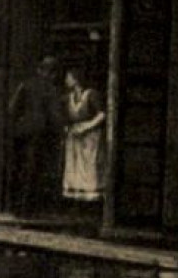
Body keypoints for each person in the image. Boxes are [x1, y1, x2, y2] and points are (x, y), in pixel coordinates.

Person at [7, 56, 64, 216]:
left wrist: (20, 122)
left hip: (21, 133)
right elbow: (55, 117)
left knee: (19, 168)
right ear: (53, 74)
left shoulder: (25, 85)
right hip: (40, 135)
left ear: (40, 70)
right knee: (35, 171)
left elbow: (11, 108)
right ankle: (29, 211)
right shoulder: (51, 89)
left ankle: (16, 208)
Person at [61, 67, 106, 203]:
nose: (66, 80)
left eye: (69, 77)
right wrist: (67, 127)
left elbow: (102, 114)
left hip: (90, 135)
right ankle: (76, 196)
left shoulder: (91, 95)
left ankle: (91, 196)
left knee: (88, 164)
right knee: (73, 164)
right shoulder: (68, 97)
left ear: (76, 79)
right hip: (74, 135)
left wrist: (87, 126)